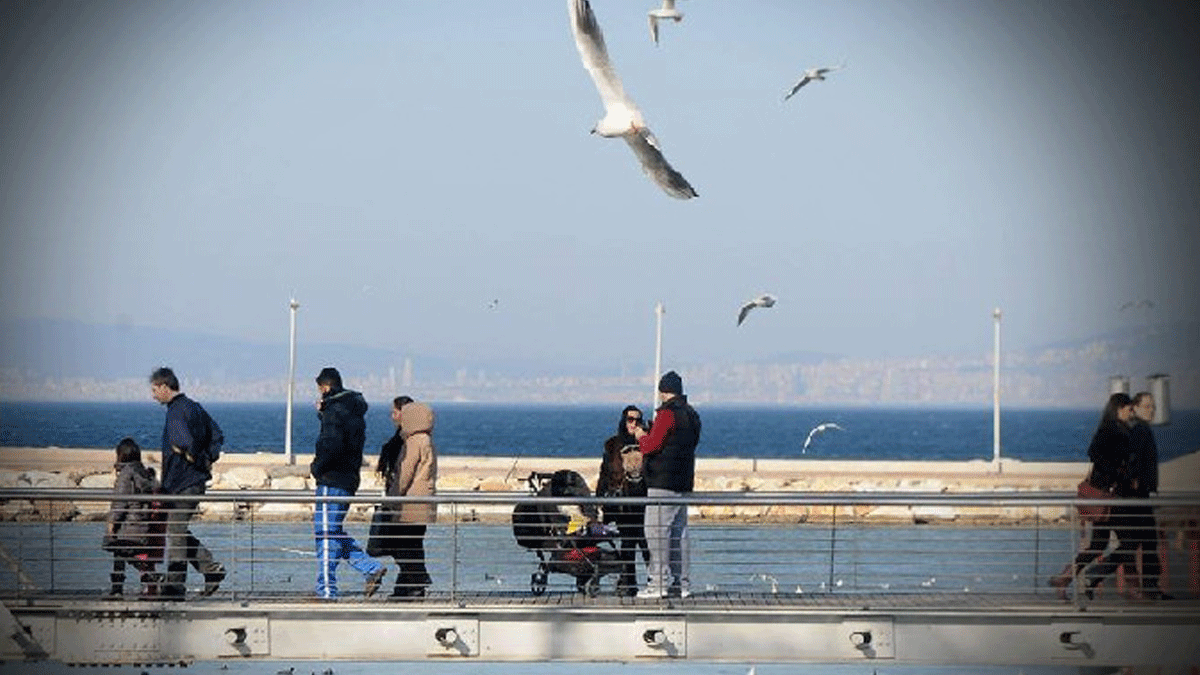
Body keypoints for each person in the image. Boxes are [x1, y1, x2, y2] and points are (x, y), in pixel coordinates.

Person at [150, 366, 226, 600]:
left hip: (181, 482)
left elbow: (183, 441)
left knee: (175, 532)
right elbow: (217, 435)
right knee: (178, 530)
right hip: (195, 480)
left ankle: (175, 587)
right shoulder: (195, 407)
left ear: (164, 386)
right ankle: (211, 570)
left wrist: (191, 455)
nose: (153, 395)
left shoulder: (175, 412)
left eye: (154, 390)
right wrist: (206, 459)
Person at [1048, 392, 1134, 599]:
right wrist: (1116, 473)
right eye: (1130, 409)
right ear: (1119, 408)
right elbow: (1094, 453)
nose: (1132, 413)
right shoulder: (1111, 430)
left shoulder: (1119, 429)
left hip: (1108, 497)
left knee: (1099, 544)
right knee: (1129, 542)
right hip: (1107, 496)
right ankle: (1133, 588)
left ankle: (1067, 578)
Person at [311, 367, 387, 600]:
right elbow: (343, 437)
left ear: (325, 387)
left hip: (332, 477)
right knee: (331, 531)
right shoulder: (352, 409)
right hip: (348, 477)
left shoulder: (335, 411)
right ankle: (369, 568)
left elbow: (331, 443)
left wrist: (317, 468)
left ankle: (326, 591)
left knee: (324, 533)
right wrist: (324, 414)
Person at [632, 371, 701, 599]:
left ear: (662, 391)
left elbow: (651, 446)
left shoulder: (667, 414)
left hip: (663, 481)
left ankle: (658, 583)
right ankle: (682, 584)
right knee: (679, 533)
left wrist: (642, 435)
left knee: (656, 532)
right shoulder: (692, 415)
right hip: (683, 481)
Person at [382, 399, 437, 598]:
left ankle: (418, 579)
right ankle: (410, 587)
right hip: (424, 502)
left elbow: (405, 473)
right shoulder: (427, 439)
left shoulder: (414, 441)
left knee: (403, 545)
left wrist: (392, 497)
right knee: (413, 544)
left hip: (410, 502)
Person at [596, 405, 650, 597]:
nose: (633, 423)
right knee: (628, 543)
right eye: (630, 419)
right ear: (623, 420)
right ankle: (629, 583)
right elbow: (605, 473)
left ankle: (655, 582)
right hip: (623, 503)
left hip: (644, 501)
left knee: (646, 543)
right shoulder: (612, 445)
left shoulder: (646, 442)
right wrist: (599, 498)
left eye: (637, 420)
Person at [1118, 391, 1166, 598]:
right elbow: (1132, 460)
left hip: (1138, 495)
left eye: (1153, 407)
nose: (1152, 411)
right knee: (1146, 541)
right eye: (1147, 406)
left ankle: (1149, 586)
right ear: (1135, 408)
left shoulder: (1139, 430)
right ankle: (1149, 586)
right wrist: (1136, 482)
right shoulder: (1141, 431)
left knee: (1144, 542)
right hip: (1139, 497)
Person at [103, 437, 162, 598]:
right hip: (143, 524)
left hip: (128, 524)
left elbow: (120, 502)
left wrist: (112, 522)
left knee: (118, 549)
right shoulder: (144, 472)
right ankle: (148, 585)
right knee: (131, 553)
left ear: (121, 455)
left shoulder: (126, 474)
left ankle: (117, 589)